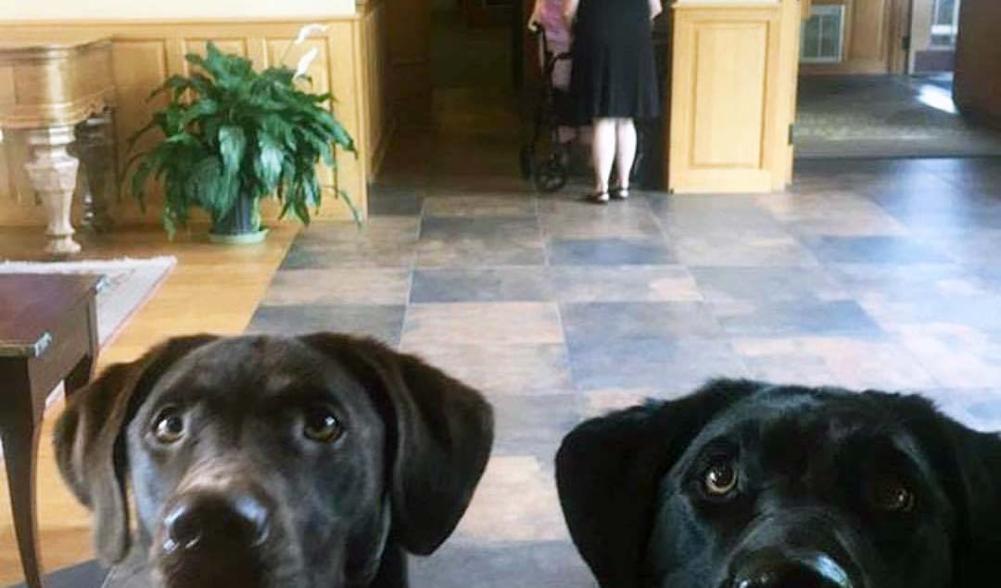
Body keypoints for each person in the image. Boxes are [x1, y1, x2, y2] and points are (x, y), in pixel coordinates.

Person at [564, 0, 662, 204]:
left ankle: (602, 188)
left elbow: (568, 10)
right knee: (626, 119)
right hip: (634, 39)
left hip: (597, 35)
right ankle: (624, 184)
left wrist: (574, 30)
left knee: (603, 118)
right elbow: (655, 9)